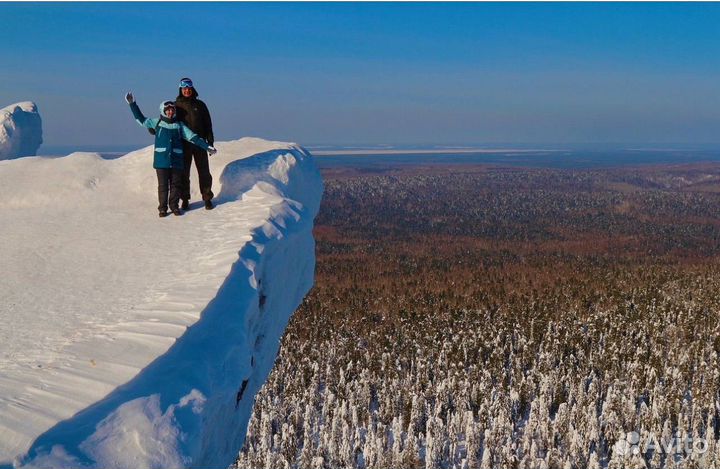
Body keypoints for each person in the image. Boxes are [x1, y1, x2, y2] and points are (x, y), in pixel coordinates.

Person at [125, 92, 217, 217]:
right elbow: (141, 120)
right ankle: (162, 208)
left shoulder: (179, 125)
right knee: (163, 186)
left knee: (175, 185)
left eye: (172, 110)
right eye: (167, 110)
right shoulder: (156, 123)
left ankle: (174, 206)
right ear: (163, 111)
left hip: (176, 161)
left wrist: (207, 147)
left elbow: (193, 137)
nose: (170, 112)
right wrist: (132, 104)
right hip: (161, 161)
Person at [174, 77, 216, 210]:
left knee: (204, 172)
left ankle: (207, 198)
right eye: (184, 88)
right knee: (184, 173)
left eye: (188, 88)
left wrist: (210, 141)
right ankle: (185, 199)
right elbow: (171, 123)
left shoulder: (200, 105)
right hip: (184, 144)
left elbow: (207, 123)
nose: (187, 90)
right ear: (181, 89)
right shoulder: (176, 106)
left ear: (192, 89)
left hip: (200, 143)